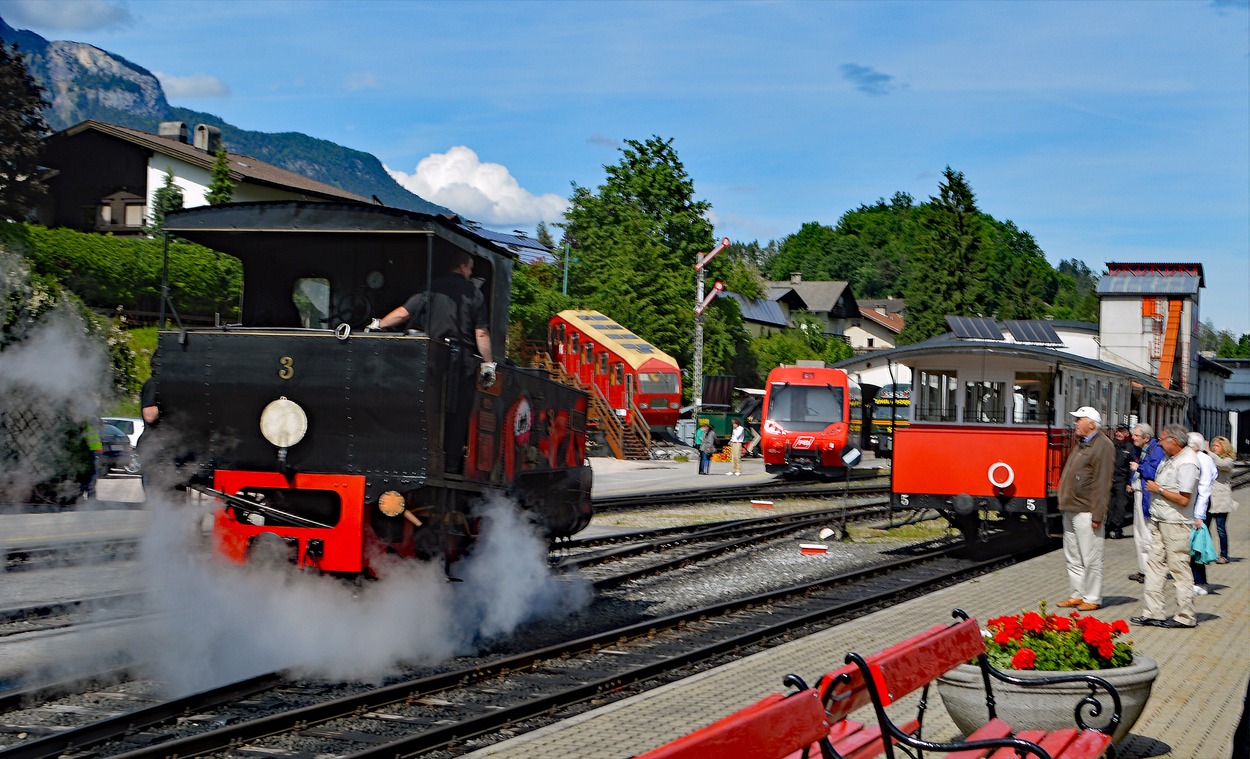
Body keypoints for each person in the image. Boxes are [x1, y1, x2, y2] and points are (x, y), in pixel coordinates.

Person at [372, 251, 494, 472]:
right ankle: (449, 467)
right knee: (457, 417)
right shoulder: (475, 294)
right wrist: (487, 363)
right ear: (463, 267)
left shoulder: (432, 288)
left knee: (425, 408)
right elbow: (481, 333)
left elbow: (403, 313)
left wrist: (378, 325)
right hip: (463, 360)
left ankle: (419, 461)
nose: (471, 272)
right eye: (471, 268)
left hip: (431, 358)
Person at [1133, 423, 1201, 629]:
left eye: (1162, 439)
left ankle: (1185, 615)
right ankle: (1153, 612)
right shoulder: (1169, 458)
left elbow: (1184, 500)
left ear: (1174, 441)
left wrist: (1158, 489)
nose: (1159, 443)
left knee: (1179, 568)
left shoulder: (1188, 462)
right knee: (1154, 565)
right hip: (1160, 519)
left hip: (1176, 523)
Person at [1056, 406, 1114, 612]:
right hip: (1072, 507)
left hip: (1087, 509)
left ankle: (1092, 596)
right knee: (1073, 554)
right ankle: (1077, 593)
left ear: (1092, 423)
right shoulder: (1082, 444)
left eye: (1079, 419)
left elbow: (1102, 482)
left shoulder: (1103, 446)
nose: (1075, 423)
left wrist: (1098, 514)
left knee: (1091, 555)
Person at [1128, 423, 1165, 583]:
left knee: (1146, 535)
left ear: (1146, 438)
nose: (1133, 437)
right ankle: (1143, 569)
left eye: (1136, 435)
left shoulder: (1155, 450)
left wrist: (1138, 468)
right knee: (1139, 534)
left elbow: (1153, 472)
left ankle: (1150, 571)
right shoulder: (1143, 449)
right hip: (1139, 493)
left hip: (1146, 495)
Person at [1187, 432, 1218, 595]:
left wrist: (1199, 515)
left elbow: (1204, 488)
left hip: (1200, 504)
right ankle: (1196, 580)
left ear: (1195, 446)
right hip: (1197, 502)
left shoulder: (1202, 459)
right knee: (1192, 543)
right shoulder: (1200, 458)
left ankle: (1199, 582)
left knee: (1196, 544)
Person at [1208, 435, 1236, 564]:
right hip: (1209, 499)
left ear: (1224, 447)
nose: (1214, 448)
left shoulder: (1229, 460)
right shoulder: (1211, 458)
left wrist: (1208, 452)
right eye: (1213, 446)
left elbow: (1221, 464)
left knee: (1220, 529)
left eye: (1217, 446)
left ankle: (1224, 555)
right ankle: (1207, 553)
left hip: (1221, 500)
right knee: (1205, 527)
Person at [1107, 425, 1134, 539]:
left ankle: (1117, 528)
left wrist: (1129, 482)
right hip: (1109, 478)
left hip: (1122, 479)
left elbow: (1132, 466)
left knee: (1121, 505)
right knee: (1109, 504)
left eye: (1122, 432)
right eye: (1118, 431)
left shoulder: (1129, 447)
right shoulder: (1110, 445)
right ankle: (1107, 527)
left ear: (1127, 434)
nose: (1119, 434)